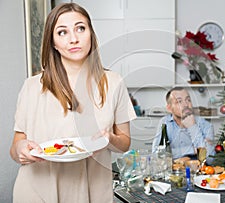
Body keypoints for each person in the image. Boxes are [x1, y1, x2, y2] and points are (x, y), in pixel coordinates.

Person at [10, 3, 136, 202]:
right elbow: (16, 146)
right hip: (37, 191)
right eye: (62, 32)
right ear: (52, 42)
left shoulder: (113, 83)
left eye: (80, 28)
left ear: (91, 34)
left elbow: (124, 143)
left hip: (93, 192)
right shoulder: (32, 86)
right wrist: (21, 151)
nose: (74, 39)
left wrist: (109, 138)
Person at [152, 87, 215, 165]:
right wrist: (193, 150)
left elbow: (210, 159)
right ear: (169, 108)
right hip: (173, 173)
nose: (186, 104)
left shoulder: (206, 125)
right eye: (179, 101)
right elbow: (156, 154)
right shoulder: (165, 123)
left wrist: (192, 127)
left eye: (188, 100)